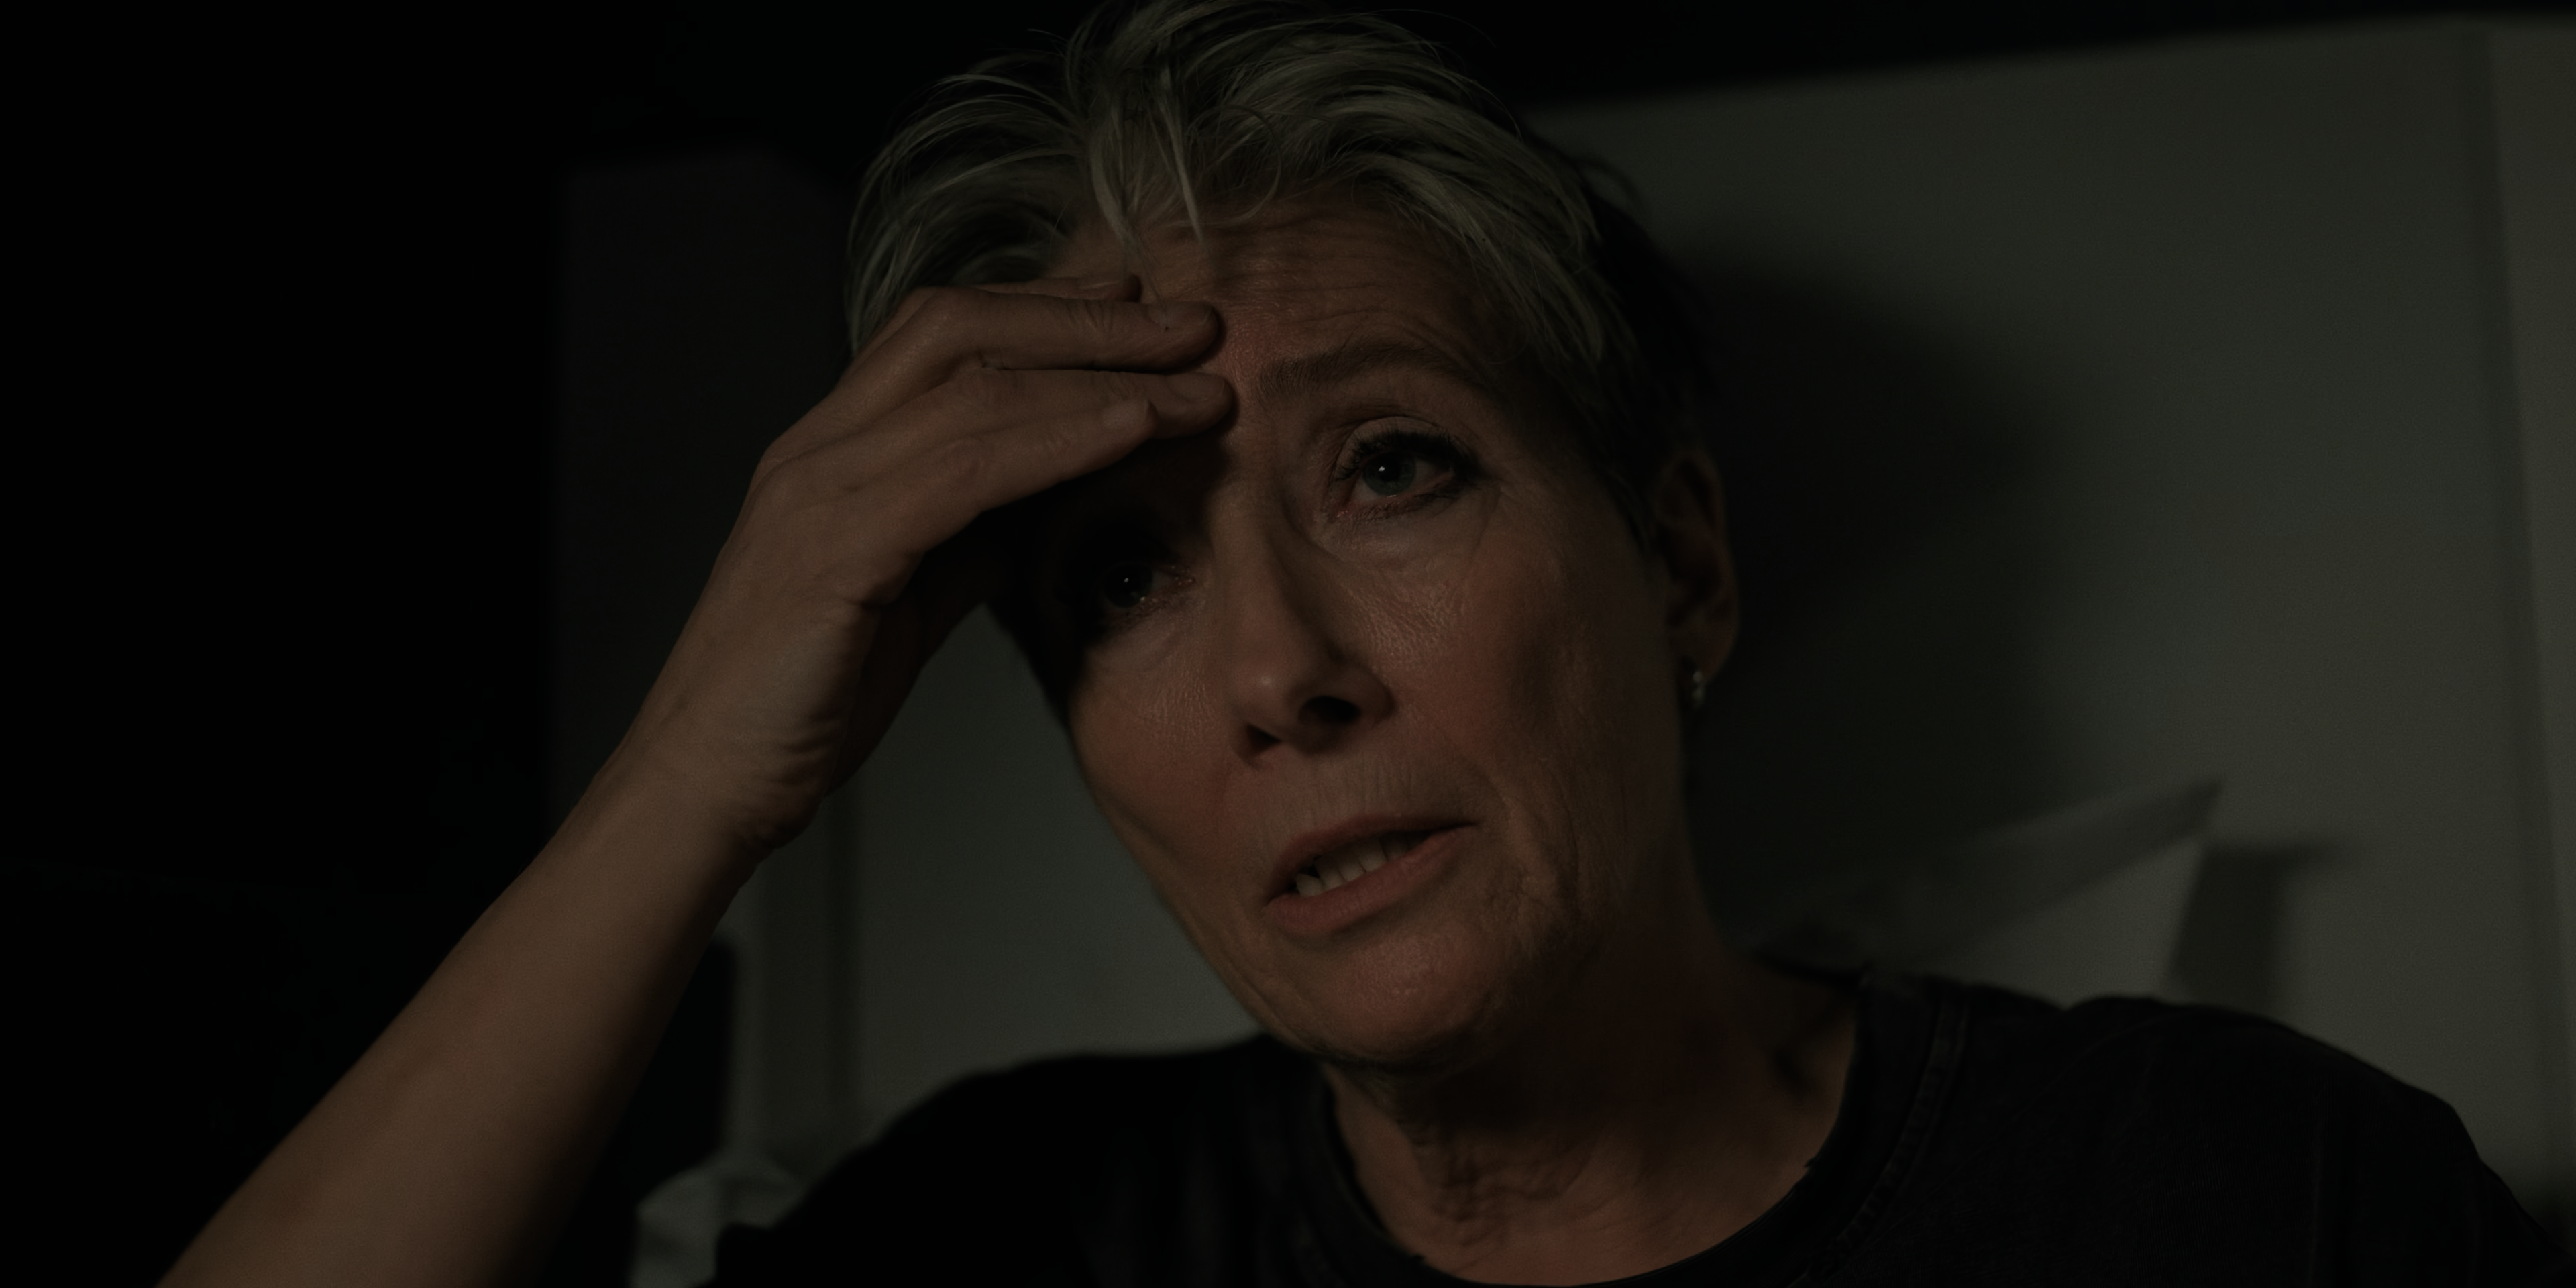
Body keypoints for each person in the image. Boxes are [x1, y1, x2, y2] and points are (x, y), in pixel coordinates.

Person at [166, 3, 2565, 1285]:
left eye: (1393, 468)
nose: (1275, 673)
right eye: (1118, 580)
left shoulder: (2248, 1197)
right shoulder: (1004, 1237)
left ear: (1681, 568)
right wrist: (691, 775)